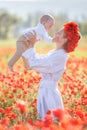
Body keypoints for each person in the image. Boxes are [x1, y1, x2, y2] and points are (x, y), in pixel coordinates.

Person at [22, 21, 81, 120]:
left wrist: (30, 45)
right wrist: (31, 45)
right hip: (45, 91)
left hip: (50, 95)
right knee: (45, 121)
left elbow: (33, 63)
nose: (55, 34)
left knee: (51, 121)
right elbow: (32, 63)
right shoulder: (54, 53)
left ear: (65, 39)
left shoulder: (60, 56)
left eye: (59, 33)